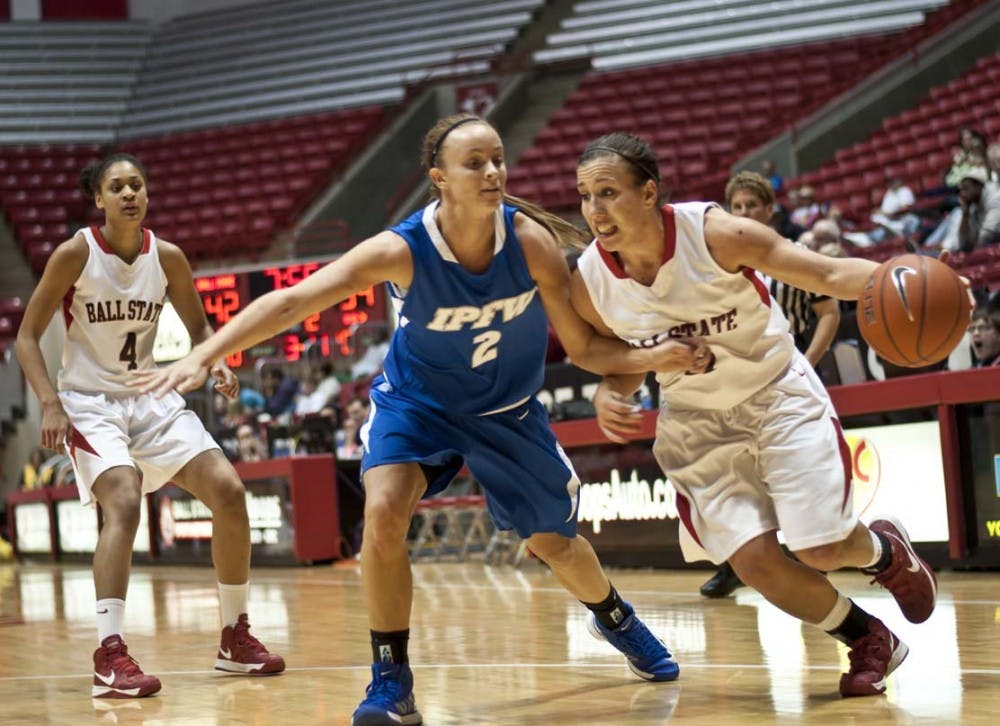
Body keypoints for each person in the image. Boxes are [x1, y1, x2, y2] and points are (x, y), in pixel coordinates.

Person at [134, 114, 711, 726]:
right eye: (474, 163)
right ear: (439, 179)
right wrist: (207, 350)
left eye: (497, 160)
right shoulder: (403, 249)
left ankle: (616, 617)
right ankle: (390, 678)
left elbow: (585, 348)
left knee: (553, 544)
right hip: (419, 406)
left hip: (506, 411)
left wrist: (648, 360)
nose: (492, 172)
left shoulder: (531, 242)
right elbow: (296, 299)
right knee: (381, 515)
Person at [571, 132, 943, 698]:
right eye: (585, 195)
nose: (595, 210)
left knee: (820, 547)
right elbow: (623, 358)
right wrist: (610, 391)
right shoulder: (591, 279)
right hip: (695, 422)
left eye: (608, 192)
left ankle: (887, 554)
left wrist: (914, 278)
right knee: (756, 563)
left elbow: (827, 274)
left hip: (775, 395)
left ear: (649, 194)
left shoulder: (716, 232)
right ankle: (869, 638)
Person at [15, 153, 285, 699]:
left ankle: (234, 638)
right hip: (90, 402)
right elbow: (25, 337)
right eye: (117, 187)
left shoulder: (168, 257)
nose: (130, 193)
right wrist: (49, 403)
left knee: (230, 492)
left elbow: (200, 328)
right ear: (99, 200)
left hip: (150, 395)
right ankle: (109, 654)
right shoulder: (76, 253)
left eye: (136, 184)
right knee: (124, 497)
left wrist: (217, 363)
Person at [700, 172, 842, 599]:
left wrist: (809, 362)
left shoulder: (791, 255)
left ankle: (808, 553)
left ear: (768, 210)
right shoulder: (718, 264)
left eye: (751, 206)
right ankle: (733, 563)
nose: (744, 214)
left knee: (791, 473)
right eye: (737, 207)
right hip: (736, 384)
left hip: (787, 376)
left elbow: (830, 311)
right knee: (737, 478)